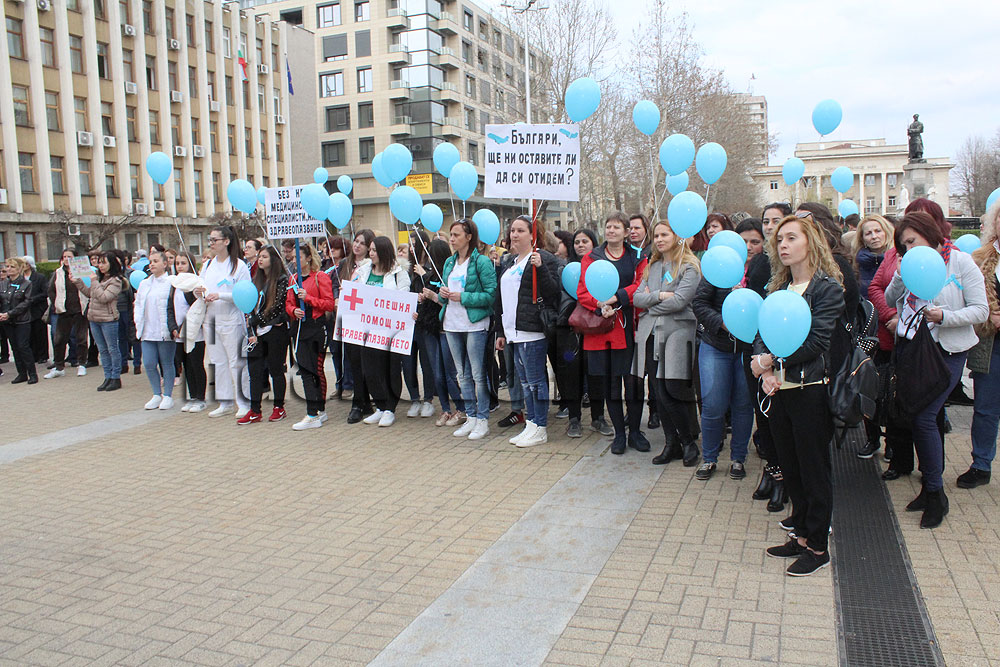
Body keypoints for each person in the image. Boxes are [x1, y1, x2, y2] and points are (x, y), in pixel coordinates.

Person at [752, 213, 845, 576]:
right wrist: (763, 368)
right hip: (779, 393)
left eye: (791, 238)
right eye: (780, 240)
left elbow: (817, 341)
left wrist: (771, 362)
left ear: (811, 242)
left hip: (810, 391)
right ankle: (801, 536)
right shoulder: (778, 287)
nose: (783, 245)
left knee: (813, 471)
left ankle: (818, 547)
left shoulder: (827, 289)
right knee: (791, 469)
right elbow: (763, 331)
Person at [885, 211, 988, 528]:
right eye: (904, 245)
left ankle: (936, 493)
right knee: (918, 417)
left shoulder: (960, 262)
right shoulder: (908, 265)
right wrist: (900, 274)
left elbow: (980, 310)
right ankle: (930, 490)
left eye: (912, 241)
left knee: (925, 417)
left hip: (948, 351)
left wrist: (944, 317)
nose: (909, 248)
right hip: (914, 349)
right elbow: (889, 299)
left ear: (929, 234)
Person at [577, 212, 647, 454]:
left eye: (617, 227)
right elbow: (583, 290)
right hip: (603, 327)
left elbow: (641, 285)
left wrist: (617, 298)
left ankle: (635, 432)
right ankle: (619, 434)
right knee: (611, 385)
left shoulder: (637, 256)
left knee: (633, 384)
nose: (611, 231)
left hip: (628, 327)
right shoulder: (591, 257)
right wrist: (600, 305)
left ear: (627, 232)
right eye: (608, 226)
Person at [634, 220, 701, 466]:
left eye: (665, 234)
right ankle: (671, 443)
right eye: (656, 235)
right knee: (659, 392)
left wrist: (650, 306)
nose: (659, 239)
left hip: (677, 335)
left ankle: (688, 442)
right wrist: (660, 295)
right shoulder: (652, 266)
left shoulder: (690, 267)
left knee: (672, 390)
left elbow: (681, 301)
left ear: (677, 236)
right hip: (652, 335)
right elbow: (637, 298)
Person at [692, 218, 756, 479]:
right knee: (713, 405)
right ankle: (709, 458)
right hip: (716, 345)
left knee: (743, 405)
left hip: (749, 349)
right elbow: (699, 303)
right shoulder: (718, 267)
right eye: (744, 241)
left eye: (754, 242)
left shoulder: (763, 271)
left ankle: (738, 458)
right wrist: (722, 323)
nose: (749, 247)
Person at [495, 215, 562, 447]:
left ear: (533, 235)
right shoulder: (511, 261)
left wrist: (540, 268)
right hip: (512, 331)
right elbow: (501, 299)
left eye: (520, 230)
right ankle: (531, 423)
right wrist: (500, 331)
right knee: (524, 382)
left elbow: (553, 292)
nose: (514, 234)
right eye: (512, 230)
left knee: (536, 382)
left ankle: (540, 426)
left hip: (532, 331)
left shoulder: (543, 258)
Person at [436, 219, 498, 441]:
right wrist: (442, 294)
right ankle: (470, 415)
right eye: (451, 235)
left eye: (456, 235)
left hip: (474, 324)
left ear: (469, 237)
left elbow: (491, 294)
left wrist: (463, 297)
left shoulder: (481, 262)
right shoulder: (449, 262)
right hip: (451, 324)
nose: (452, 239)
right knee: (462, 374)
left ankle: (482, 419)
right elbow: (446, 292)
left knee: (478, 374)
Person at [961, 202, 1000, 489]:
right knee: (986, 408)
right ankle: (981, 464)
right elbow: (968, 299)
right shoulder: (979, 259)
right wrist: (988, 316)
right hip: (991, 345)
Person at [354, 236, 411, 426]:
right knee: (370, 370)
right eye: (370, 250)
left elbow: (403, 298)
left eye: (374, 250)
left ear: (384, 252)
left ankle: (390, 409)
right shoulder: (363, 271)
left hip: (390, 331)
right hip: (367, 329)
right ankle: (380, 405)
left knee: (390, 369)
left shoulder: (398, 273)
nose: (370, 253)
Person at [197, 225, 252, 418]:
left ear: (226, 241)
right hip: (211, 320)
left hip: (231, 320)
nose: (211, 243)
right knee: (217, 362)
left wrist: (220, 295)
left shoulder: (239, 266)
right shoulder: (208, 265)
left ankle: (244, 402)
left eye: (215, 240)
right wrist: (199, 292)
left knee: (237, 362)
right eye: (210, 240)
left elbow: (245, 295)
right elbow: (200, 287)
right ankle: (225, 401)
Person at [416, 239, 466, 426]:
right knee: (437, 373)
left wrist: (434, 297)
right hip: (430, 327)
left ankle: (461, 408)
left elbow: (450, 301)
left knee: (448, 372)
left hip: (446, 328)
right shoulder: (430, 275)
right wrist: (422, 300)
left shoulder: (450, 275)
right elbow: (427, 300)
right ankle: (446, 409)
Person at [286, 242, 336, 430]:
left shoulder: (320, 277)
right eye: (293, 257)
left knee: (315, 370)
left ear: (308, 258)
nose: (295, 260)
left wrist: (308, 298)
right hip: (300, 329)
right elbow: (288, 303)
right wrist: (293, 310)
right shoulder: (293, 279)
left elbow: (329, 304)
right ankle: (314, 412)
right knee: (305, 370)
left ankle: (316, 411)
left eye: (298, 256)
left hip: (316, 328)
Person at [239, 245, 290, 424]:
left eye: (265, 257)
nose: (260, 260)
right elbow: (249, 305)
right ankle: (254, 410)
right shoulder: (256, 280)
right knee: (254, 371)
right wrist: (251, 327)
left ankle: (279, 407)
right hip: (257, 333)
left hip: (275, 330)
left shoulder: (282, 280)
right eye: (259, 256)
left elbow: (277, 306)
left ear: (273, 260)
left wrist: (257, 320)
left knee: (276, 369)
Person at [74, 252, 125, 391]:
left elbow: (103, 297)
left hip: (108, 320)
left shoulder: (115, 281)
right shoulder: (100, 279)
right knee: (102, 350)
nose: (100, 266)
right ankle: (107, 376)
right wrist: (78, 282)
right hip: (94, 318)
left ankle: (116, 377)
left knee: (112, 349)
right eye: (99, 263)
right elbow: (91, 294)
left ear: (111, 264)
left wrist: (94, 281)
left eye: (104, 263)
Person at [340, 229, 376, 422]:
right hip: (349, 318)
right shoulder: (344, 264)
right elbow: (335, 285)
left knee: (367, 363)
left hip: (368, 320)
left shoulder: (372, 266)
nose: (357, 245)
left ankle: (366, 400)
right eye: (356, 241)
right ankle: (358, 403)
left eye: (362, 243)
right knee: (354, 361)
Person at [134, 252, 176, 410]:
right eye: (151, 261)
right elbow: (138, 304)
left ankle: (168, 395)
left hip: (164, 330)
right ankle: (156, 394)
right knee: (149, 363)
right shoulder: (145, 284)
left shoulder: (171, 282)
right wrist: (137, 321)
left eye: (156, 261)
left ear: (165, 264)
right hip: (147, 330)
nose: (152, 264)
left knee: (167, 363)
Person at [167, 251, 207, 412]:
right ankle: (192, 396)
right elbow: (170, 308)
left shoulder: (194, 284)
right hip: (178, 334)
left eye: (183, 263)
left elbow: (196, 309)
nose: (180, 266)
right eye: (177, 263)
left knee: (196, 364)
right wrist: (173, 328)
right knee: (186, 365)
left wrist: (183, 327)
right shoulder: (174, 285)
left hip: (194, 333)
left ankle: (200, 398)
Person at [404, 231, 437, 418]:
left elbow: (437, 289)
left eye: (414, 244)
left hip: (425, 323)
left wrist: (425, 275)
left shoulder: (432, 268)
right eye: (409, 245)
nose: (411, 249)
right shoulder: (405, 270)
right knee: (408, 364)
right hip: (408, 324)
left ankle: (428, 400)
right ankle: (414, 399)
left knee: (427, 363)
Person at [45, 249, 90, 379]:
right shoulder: (58, 273)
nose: (66, 259)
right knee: (59, 339)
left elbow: (89, 287)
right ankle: (59, 367)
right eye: (64, 256)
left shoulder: (82, 272)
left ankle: (81, 364)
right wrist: (57, 303)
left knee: (81, 338)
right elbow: (51, 290)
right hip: (64, 310)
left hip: (80, 309)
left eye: (69, 257)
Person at [0, 257, 37, 384]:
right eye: (7, 266)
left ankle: (32, 374)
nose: (9, 269)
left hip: (22, 320)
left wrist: (10, 314)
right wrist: (3, 314)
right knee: (15, 347)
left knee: (23, 346)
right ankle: (21, 374)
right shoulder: (3, 283)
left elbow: (26, 302)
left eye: (12, 267)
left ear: (19, 268)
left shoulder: (27, 284)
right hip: (7, 321)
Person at [854, 214, 893, 297]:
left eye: (878, 231)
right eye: (868, 233)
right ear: (862, 239)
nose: (874, 236)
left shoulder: (898, 259)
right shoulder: (856, 263)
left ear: (887, 232)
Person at [22, 256, 49, 365]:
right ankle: (34, 355)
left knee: (40, 333)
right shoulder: (20, 278)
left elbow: (45, 292)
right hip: (25, 311)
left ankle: (43, 355)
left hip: (38, 309)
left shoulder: (39, 277)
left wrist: (32, 299)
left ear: (29, 265)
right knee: (30, 334)